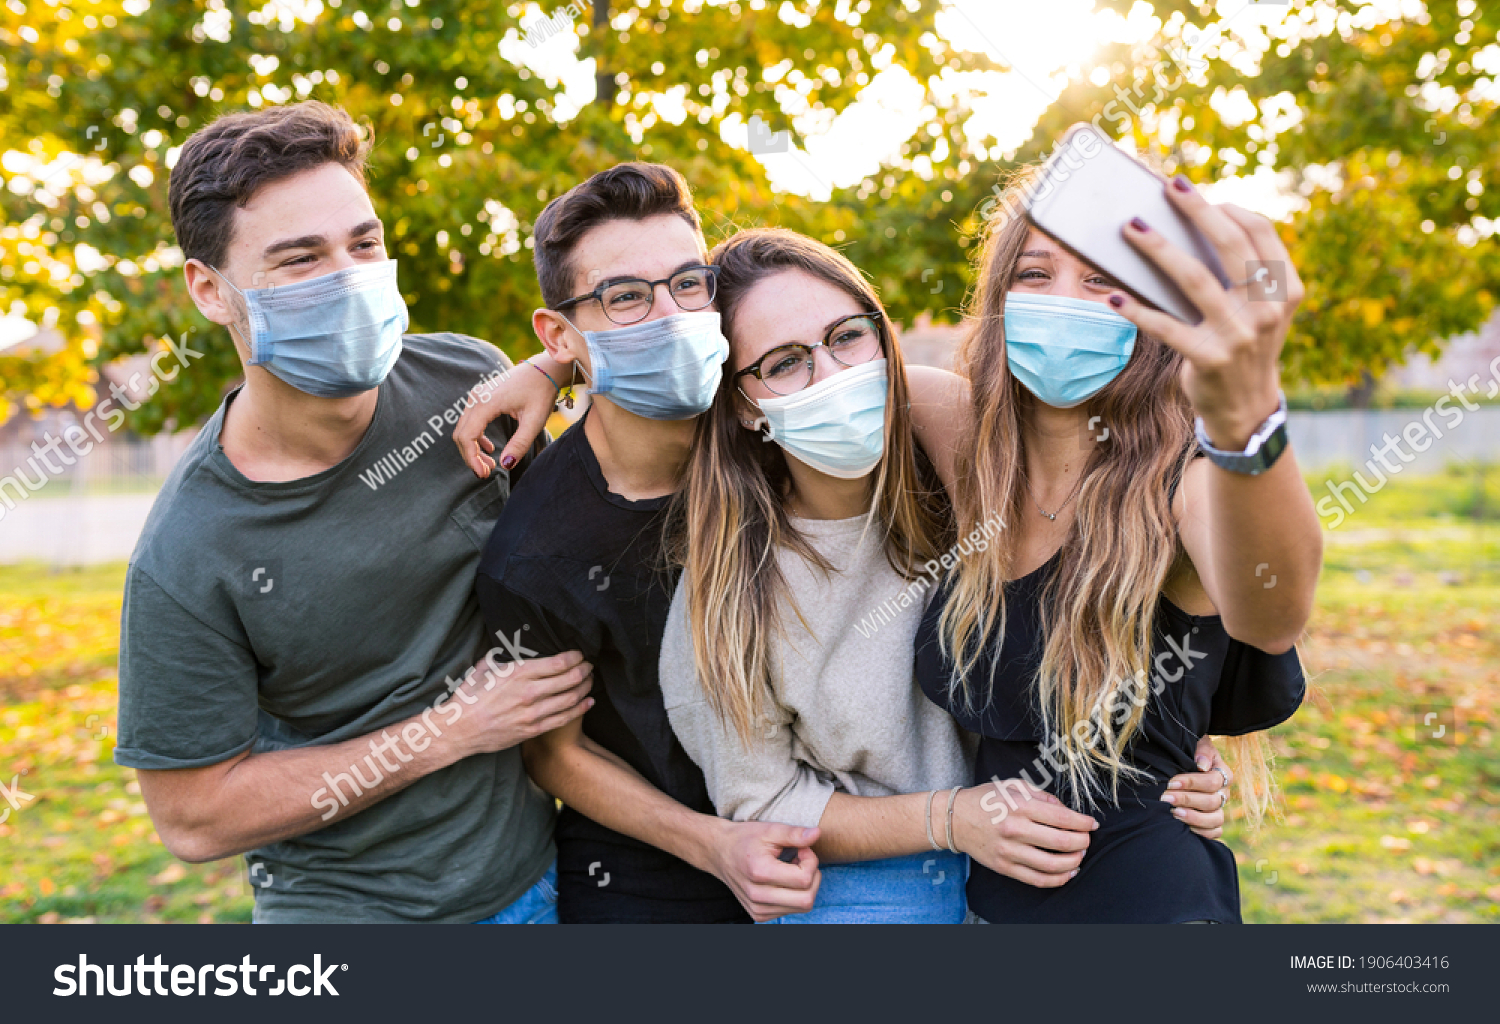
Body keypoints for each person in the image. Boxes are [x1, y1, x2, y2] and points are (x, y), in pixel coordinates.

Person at [461, 201, 1237, 920]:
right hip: (862, 868)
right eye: (785, 362)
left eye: (846, 336)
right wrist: (557, 364)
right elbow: (750, 795)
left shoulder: (959, 451)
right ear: (741, 397)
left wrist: (1175, 743)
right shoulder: (722, 574)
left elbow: (1127, 567)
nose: (833, 378)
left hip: (1032, 844)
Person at [115, 102, 593, 924]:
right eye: (300, 259)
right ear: (209, 290)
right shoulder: (188, 550)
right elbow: (193, 815)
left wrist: (559, 367)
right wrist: (448, 731)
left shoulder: (470, 386)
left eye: (363, 244)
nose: (348, 275)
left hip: (543, 878)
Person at [915, 167, 1320, 923]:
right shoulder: (959, 437)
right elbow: (802, 370)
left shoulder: (1184, 483)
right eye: (1034, 273)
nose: (1064, 299)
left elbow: (1274, 611)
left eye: (1105, 279)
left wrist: (1249, 419)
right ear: (1000, 299)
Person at [469, 163, 824, 923]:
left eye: (687, 284)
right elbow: (555, 753)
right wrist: (713, 844)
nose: (670, 315)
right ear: (561, 333)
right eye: (626, 297)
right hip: (653, 878)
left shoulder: (776, 415)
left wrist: (552, 370)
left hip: (838, 843)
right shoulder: (537, 549)